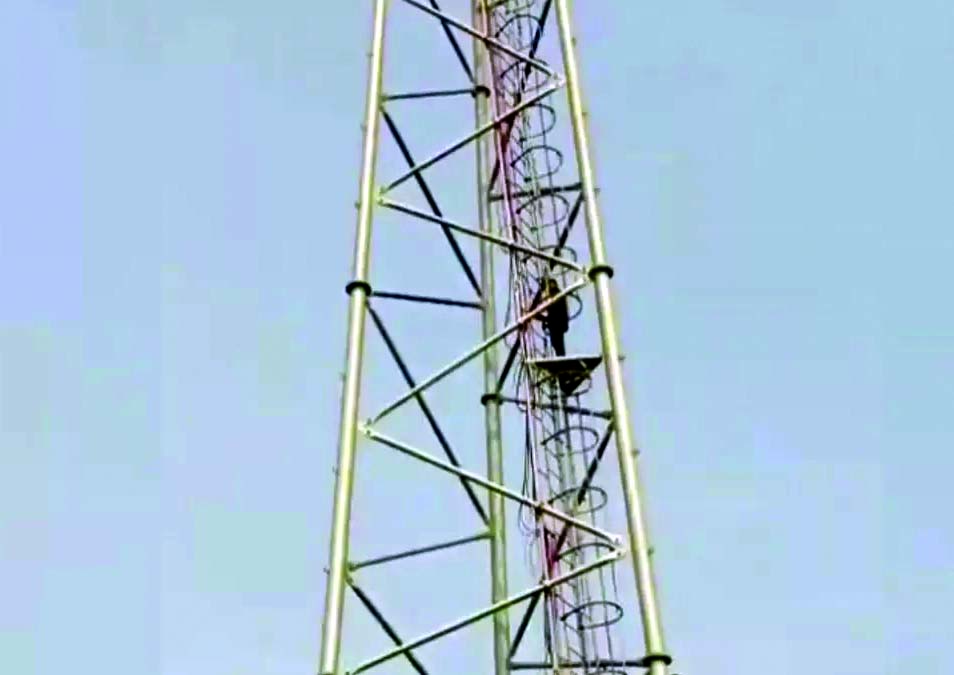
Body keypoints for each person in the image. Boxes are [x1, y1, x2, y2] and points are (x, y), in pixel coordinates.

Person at [541, 277, 569, 357]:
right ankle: (560, 355)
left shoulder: (556, 294)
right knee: (556, 343)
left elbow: (551, 308)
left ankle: (560, 356)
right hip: (556, 322)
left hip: (557, 322)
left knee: (557, 343)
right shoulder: (556, 294)